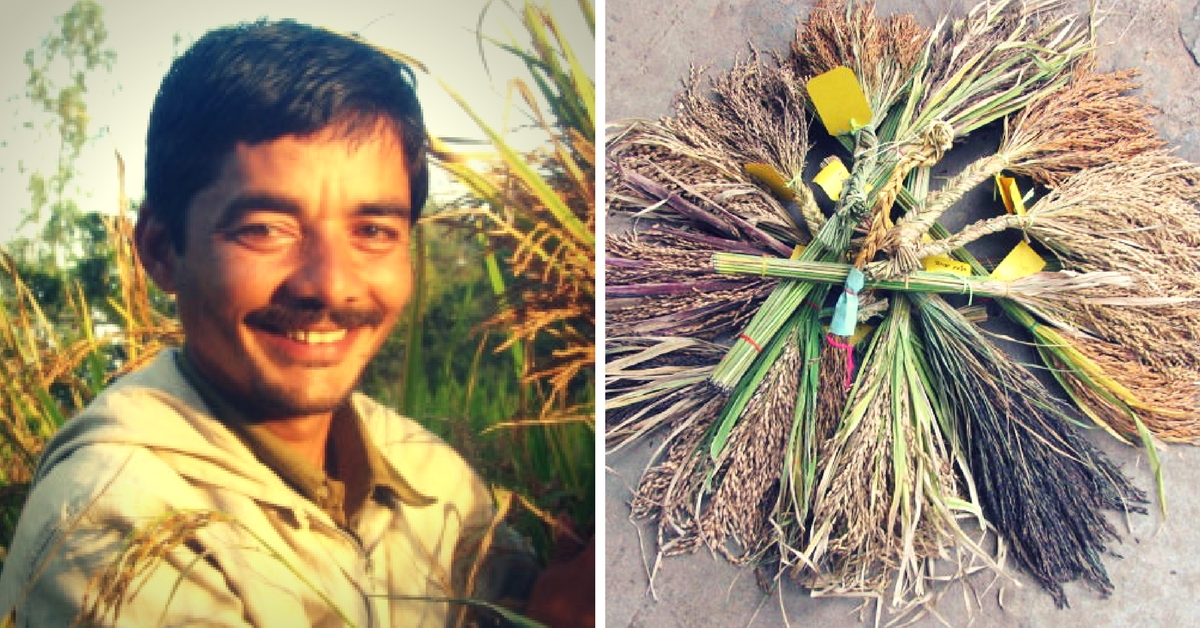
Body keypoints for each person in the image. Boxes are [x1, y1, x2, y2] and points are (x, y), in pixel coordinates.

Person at [0, 19, 592, 628]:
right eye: (263, 229)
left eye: (373, 232)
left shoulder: (432, 478)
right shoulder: (116, 524)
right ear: (159, 249)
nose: (330, 284)